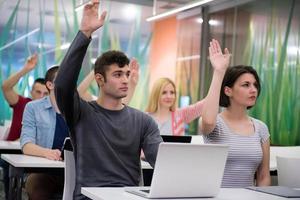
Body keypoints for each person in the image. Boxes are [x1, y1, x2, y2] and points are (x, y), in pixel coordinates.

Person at [54, 1, 162, 199]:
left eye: (127, 74)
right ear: (99, 79)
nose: (125, 80)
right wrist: (84, 34)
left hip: (127, 197)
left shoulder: (143, 121)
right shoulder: (81, 112)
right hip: (89, 197)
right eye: (118, 74)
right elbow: (62, 86)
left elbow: (163, 162)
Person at [199, 39, 271, 187]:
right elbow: (207, 121)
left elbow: (263, 176)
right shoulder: (215, 124)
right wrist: (219, 71)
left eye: (255, 85)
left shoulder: (261, 128)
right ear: (228, 91)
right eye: (246, 85)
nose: (253, 90)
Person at [1, 54, 48, 200]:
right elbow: (6, 87)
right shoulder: (22, 103)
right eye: (38, 92)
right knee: (11, 167)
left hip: (35, 156)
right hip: (12, 154)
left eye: (45, 93)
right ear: (31, 92)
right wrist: (26, 69)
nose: (41, 96)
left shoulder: (51, 111)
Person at [20, 66, 69, 199]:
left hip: (73, 171)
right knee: (37, 186)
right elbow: (26, 145)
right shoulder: (33, 108)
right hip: (43, 171)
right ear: (50, 84)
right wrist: (47, 152)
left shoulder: (76, 108)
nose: (69, 80)